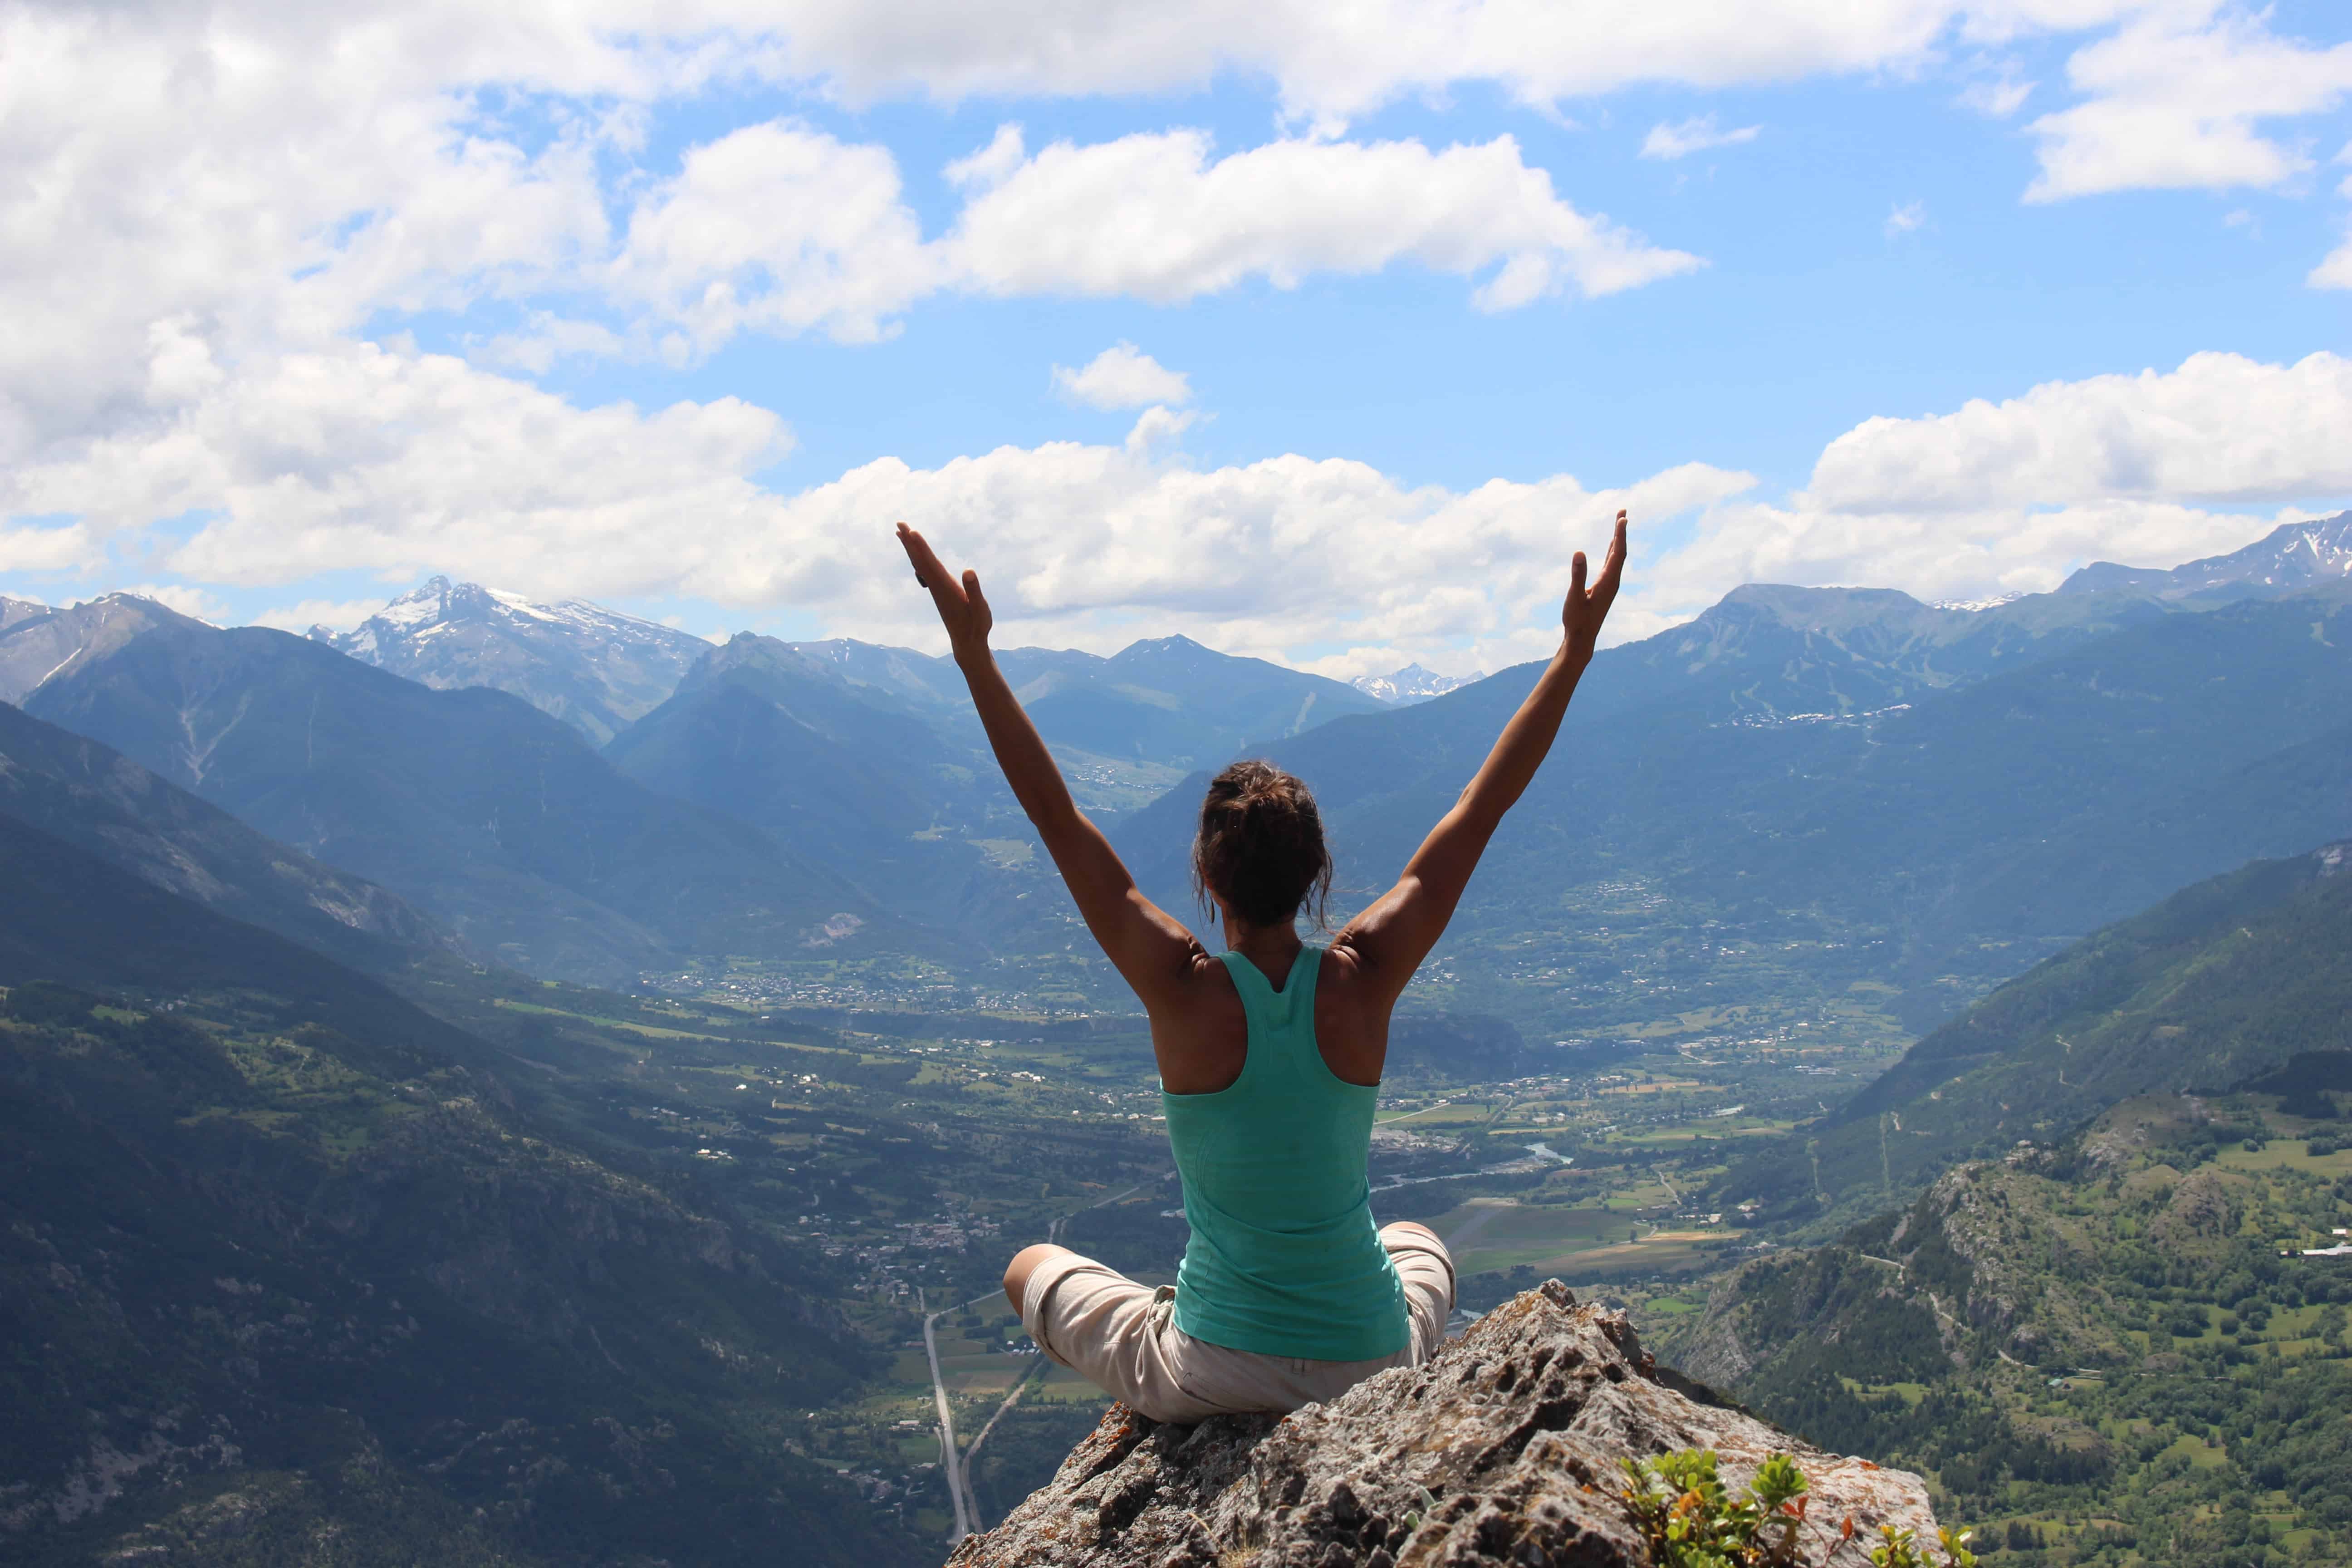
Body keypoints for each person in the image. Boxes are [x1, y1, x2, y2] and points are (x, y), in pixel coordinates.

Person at [893, 510, 1628, 1424]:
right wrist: (1572, 655)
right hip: (1369, 1358)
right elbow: (1482, 807)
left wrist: (974, 655)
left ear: (1204, 874)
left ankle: (1187, 1317)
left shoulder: (1179, 988)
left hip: (1215, 1368)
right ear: (1319, 872)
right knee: (1416, 1242)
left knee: (1027, 1270)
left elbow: (1055, 816)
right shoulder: (1364, 977)